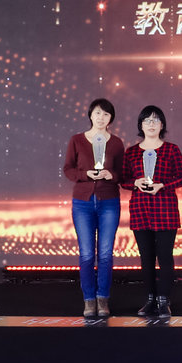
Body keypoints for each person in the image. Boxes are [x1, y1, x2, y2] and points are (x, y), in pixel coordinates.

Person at [122, 105, 182, 320]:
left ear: (162, 125)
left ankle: (164, 300)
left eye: (156, 120)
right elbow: (123, 180)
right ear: (140, 125)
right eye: (147, 120)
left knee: (165, 257)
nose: (151, 124)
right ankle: (150, 298)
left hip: (165, 208)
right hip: (140, 209)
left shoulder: (171, 150)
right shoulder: (131, 152)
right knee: (146, 257)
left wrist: (163, 185)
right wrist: (135, 183)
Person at [62, 97, 124, 319]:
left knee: (106, 253)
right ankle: (89, 299)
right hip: (83, 202)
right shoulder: (77, 140)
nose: (101, 117)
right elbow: (68, 169)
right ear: (90, 115)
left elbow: (122, 174)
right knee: (87, 254)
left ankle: (102, 298)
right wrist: (85, 174)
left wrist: (111, 175)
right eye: (98, 113)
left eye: (106, 114)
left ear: (110, 118)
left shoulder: (116, 143)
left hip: (109, 202)